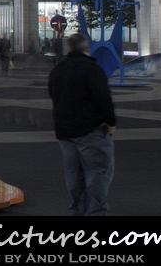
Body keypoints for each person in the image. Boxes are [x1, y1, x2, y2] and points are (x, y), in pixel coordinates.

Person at [48, 33, 116, 216]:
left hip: (64, 130)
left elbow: (53, 95)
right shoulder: (92, 69)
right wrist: (110, 121)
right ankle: (95, 212)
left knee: (73, 173)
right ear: (87, 48)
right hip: (89, 129)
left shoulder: (58, 70)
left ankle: (77, 209)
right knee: (97, 170)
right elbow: (103, 97)